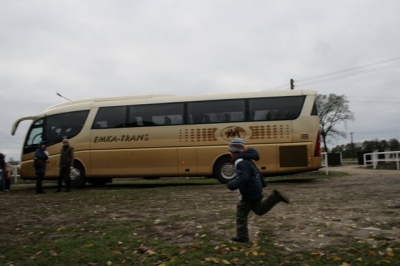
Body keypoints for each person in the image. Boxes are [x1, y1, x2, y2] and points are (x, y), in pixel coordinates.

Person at [226, 138, 290, 243]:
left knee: (241, 212)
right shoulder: (247, 160)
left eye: (231, 152)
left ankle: (242, 236)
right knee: (259, 210)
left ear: (235, 152)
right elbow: (257, 173)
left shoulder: (240, 162)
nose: (230, 154)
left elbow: (243, 177)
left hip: (249, 193)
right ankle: (275, 197)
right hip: (255, 190)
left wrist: (232, 184)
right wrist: (262, 185)